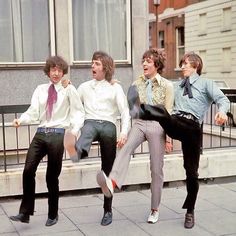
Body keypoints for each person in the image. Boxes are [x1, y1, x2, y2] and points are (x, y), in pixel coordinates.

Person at [126, 51, 230, 229]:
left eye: (185, 64)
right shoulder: (176, 85)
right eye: (182, 64)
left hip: (192, 128)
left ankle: (190, 211)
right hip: (175, 122)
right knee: (162, 111)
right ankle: (141, 111)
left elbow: (223, 99)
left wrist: (222, 112)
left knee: (192, 173)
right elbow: (154, 85)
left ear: (195, 66)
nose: (182, 67)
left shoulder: (206, 84)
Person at [96, 48, 174, 224]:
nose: (144, 63)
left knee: (156, 169)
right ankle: (112, 182)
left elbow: (168, 113)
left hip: (158, 125)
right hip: (139, 123)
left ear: (157, 64)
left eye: (148, 61)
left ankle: (154, 209)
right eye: (143, 60)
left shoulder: (167, 86)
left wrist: (169, 139)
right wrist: (112, 84)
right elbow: (129, 105)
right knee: (125, 147)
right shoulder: (135, 83)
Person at [9, 56, 85, 226]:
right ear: (48, 71)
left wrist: (73, 131)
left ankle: (53, 214)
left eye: (59, 70)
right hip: (41, 133)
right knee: (28, 170)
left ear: (63, 72)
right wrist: (20, 120)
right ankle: (25, 213)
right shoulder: (40, 89)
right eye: (53, 69)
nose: (56, 73)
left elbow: (79, 112)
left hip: (58, 134)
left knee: (52, 176)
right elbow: (33, 111)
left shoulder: (68, 89)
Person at [64, 51, 130, 226]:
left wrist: (124, 133)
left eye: (97, 64)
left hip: (108, 123)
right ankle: (78, 152)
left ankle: (107, 210)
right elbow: (75, 104)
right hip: (91, 121)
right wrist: (69, 87)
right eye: (92, 63)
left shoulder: (116, 87)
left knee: (108, 169)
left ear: (105, 68)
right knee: (88, 130)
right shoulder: (85, 87)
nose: (92, 66)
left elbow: (125, 112)